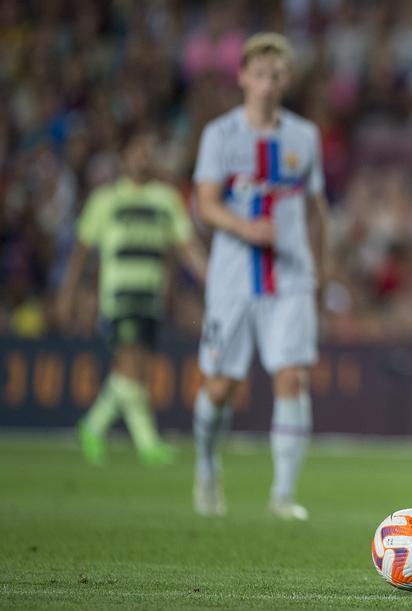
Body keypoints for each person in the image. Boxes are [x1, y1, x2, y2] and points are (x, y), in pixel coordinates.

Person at [190, 33, 329, 520]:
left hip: (291, 277)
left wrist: (321, 271)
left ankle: (283, 495)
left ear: (285, 81)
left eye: (276, 76)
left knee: (291, 378)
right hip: (231, 280)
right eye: (260, 74)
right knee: (220, 386)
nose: (268, 84)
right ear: (243, 76)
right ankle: (207, 467)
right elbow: (205, 203)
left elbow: (316, 210)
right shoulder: (220, 135)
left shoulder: (303, 137)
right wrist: (245, 227)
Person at [58, 128, 207, 466]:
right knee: (128, 363)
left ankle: (96, 426)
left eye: (149, 150)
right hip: (119, 294)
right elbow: (80, 252)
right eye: (138, 149)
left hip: (151, 295)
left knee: (139, 367)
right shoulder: (106, 200)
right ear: (124, 155)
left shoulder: (166, 200)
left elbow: (187, 248)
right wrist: (68, 293)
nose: (144, 156)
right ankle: (142, 440)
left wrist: (212, 278)